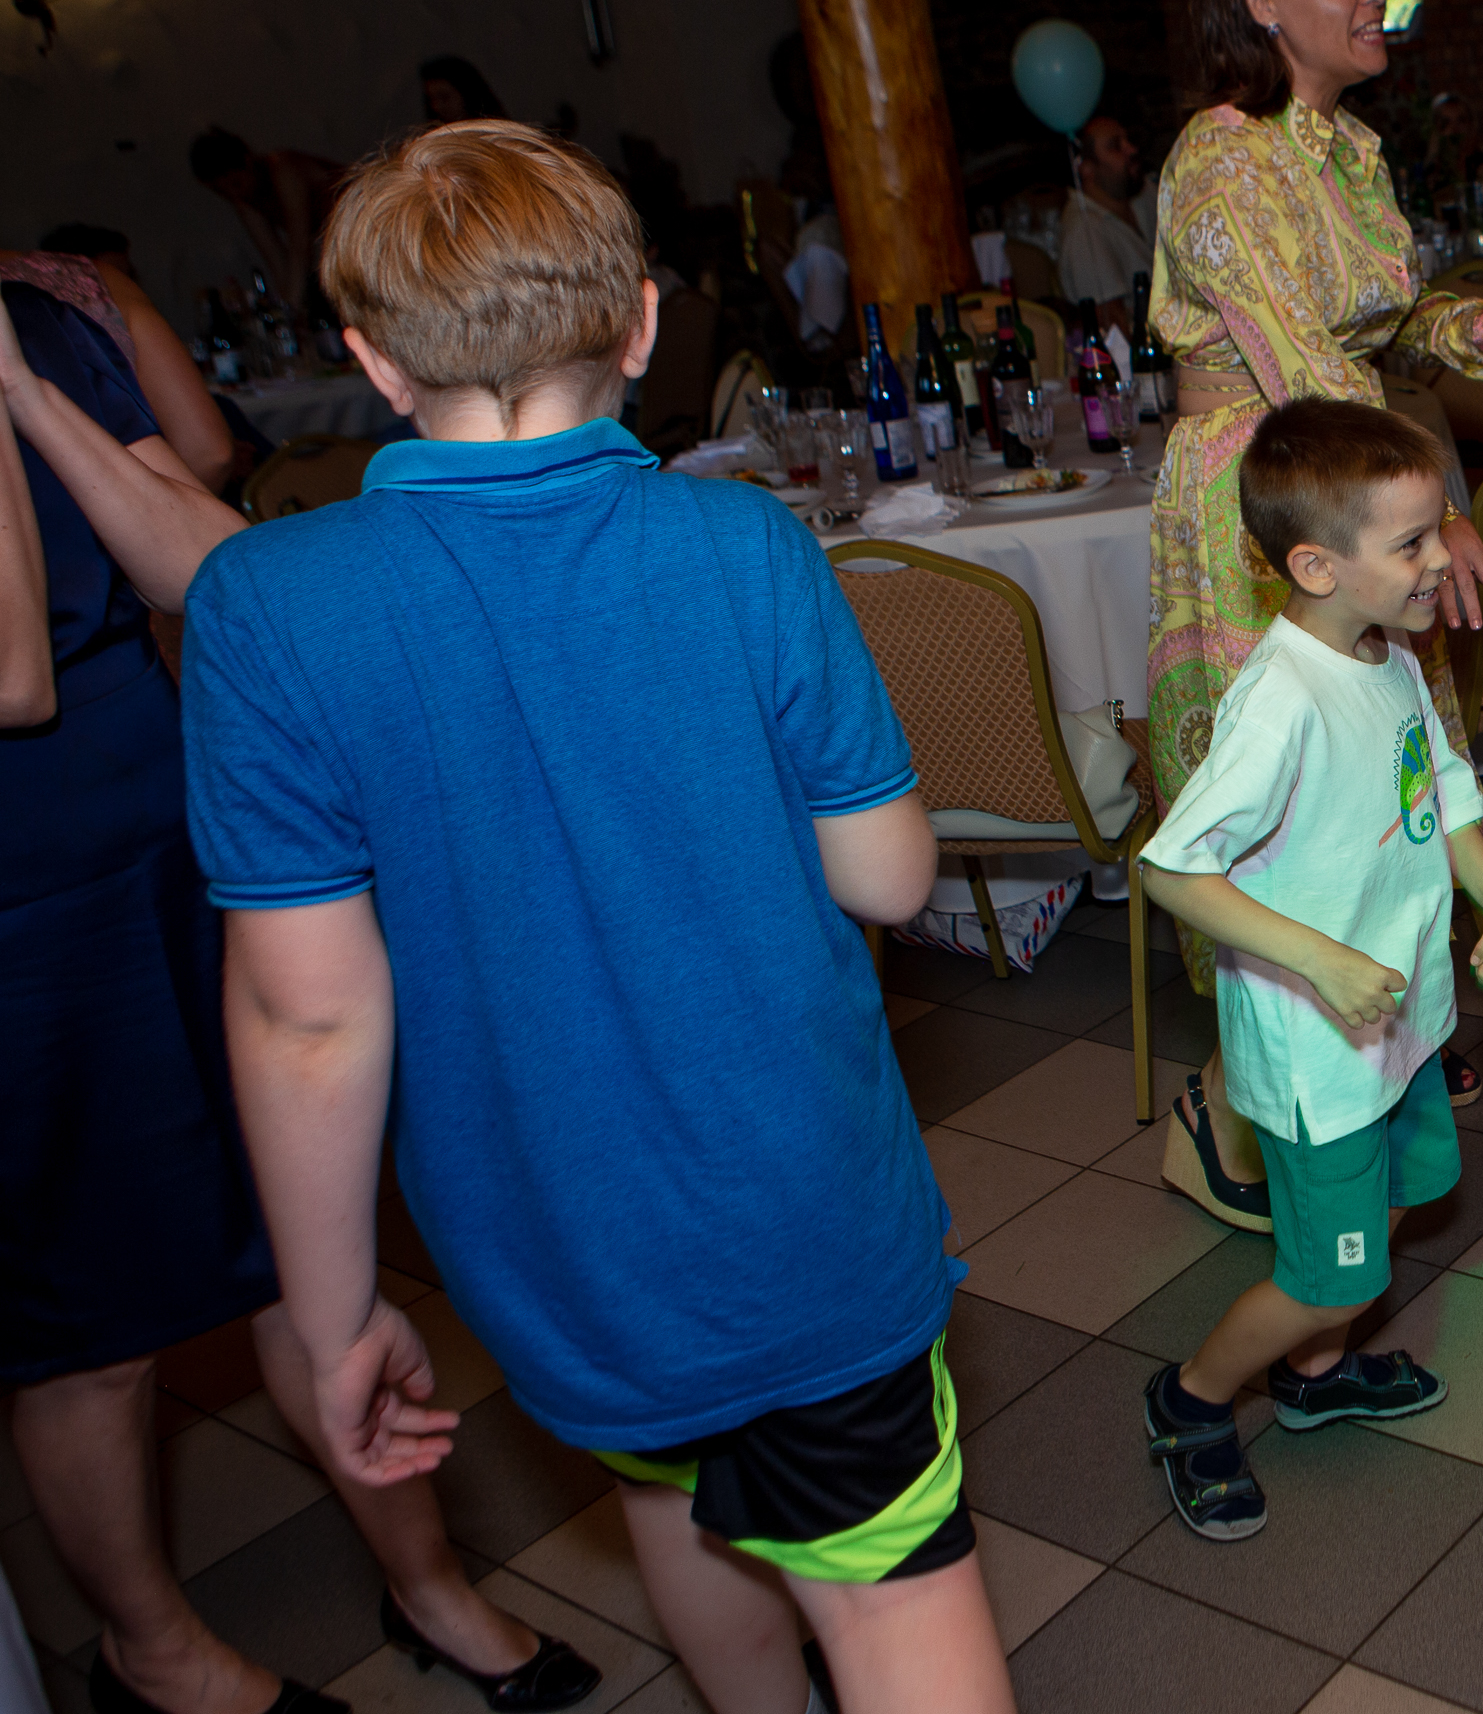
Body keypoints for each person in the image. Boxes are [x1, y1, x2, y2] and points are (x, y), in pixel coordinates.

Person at [182, 121, 1013, 1714]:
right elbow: (889, 879)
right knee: (891, 1597)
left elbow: (307, 1014)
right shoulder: (747, 544)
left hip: (553, 1247)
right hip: (797, 1228)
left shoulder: (262, 606)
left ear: (371, 358)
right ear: (638, 324)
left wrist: (337, 1321)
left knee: (674, 1490)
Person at [2, 252, 593, 1714]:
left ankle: (428, 1583)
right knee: (91, 1325)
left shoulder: (34, 324)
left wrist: (29, 381)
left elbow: (207, 563)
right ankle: (150, 1649)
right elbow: (15, 674)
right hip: (24, 900)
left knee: (298, 1232)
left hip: (172, 826)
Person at [1144, 0, 1483, 1233]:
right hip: (1269, 496)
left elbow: (1377, 327)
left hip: (1351, 476)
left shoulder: (1348, 149)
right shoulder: (1223, 159)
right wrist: (1431, 506)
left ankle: (1373, 1032)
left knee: (1378, 773)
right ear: (1261, 1)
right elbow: (1296, 364)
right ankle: (1228, 1102)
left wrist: (1481, 333)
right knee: (1281, 799)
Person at [1134, 399, 1483, 1540]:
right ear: (1315, 566)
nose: (1440, 557)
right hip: (1319, 1052)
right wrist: (1321, 961)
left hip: (1396, 1025)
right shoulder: (1280, 701)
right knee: (1332, 1274)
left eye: (1437, 528)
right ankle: (1192, 1400)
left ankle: (1312, 1374)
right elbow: (1171, 868)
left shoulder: (1387, 654)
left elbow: (1436, 781)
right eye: (1412, 542)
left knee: (1405, 1194)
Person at [32, 226, 234, 492]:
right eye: (123, 276)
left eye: (130, 275)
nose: (132, 285)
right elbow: (209, 456)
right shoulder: (82, 285)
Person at [188, 129, 347, 333]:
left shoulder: (284, 169)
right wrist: (286, 316)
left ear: (247, 162)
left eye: (236, 183)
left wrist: (290, 312)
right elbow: (279, 265)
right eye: (224, 193)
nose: (236, 195)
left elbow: (300, 249)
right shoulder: (244, 200)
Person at [1054, 111, 1154, 312]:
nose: (1131, 150)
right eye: (1115, 146)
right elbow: (1111, 322)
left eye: (1128, 140)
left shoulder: (1143, 193)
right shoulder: (1084, 232)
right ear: (1087, 168)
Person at [416, 56, 506, 128]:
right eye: (431, 99)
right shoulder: (432, 138)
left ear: (468, 94)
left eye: (444, 97)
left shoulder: (497, 135)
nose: (436, 107)